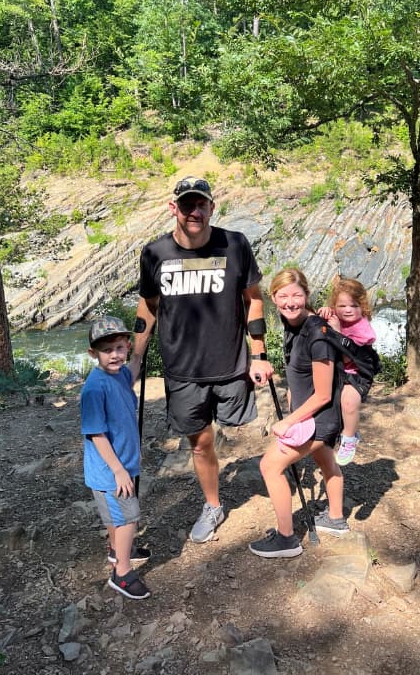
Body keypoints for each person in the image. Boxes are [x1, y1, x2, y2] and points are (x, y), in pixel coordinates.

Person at [130, 176, 274, 544]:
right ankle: (213, 505)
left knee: (244, 430)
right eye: (187, 204)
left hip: (231, 364)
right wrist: (134, 360)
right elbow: (148, 306)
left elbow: (253, 299)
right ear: (173, 207)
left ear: (212, 207)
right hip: (183, 370)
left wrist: (259, 354)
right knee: (200, 443)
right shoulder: (154, 254)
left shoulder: (235, 245)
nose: (195, 211)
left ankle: (276, 482)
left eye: (202, 204)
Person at [249, 268, 348, 559]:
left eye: (296, 295)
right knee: (324, 458)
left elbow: (323, 394)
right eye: (283, 296)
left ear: (306, 295)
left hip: (321, 418)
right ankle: (336, 519)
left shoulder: (317, 335)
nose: (290, 302)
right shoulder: (292, 324)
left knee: (270, 466)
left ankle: (286, 539)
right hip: (312, 416)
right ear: (273, 298)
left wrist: (288, 420)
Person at [80, 315, 151, 600]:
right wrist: (118, 471)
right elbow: (96, 434)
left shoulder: (120, 373)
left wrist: (142, 343)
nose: (115, 355)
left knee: (117, 517)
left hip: (124, 463)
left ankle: (117, 549)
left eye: (120, 348)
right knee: (128, 519)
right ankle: (121, 573)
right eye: (107, 350)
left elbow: (133, 368)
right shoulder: (94, 388)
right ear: (93, 353)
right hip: (111, 470)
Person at [318, 278, 376, 465]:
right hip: (337, 371)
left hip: (356, 374)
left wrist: (336, 333)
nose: (348, 310)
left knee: (349, 401)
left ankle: (350, 437)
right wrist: (324, 313)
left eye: (354, 305)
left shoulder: (363, 330)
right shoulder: (336, 317)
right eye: (341, 305)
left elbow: (348, 357)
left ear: (363, 307)